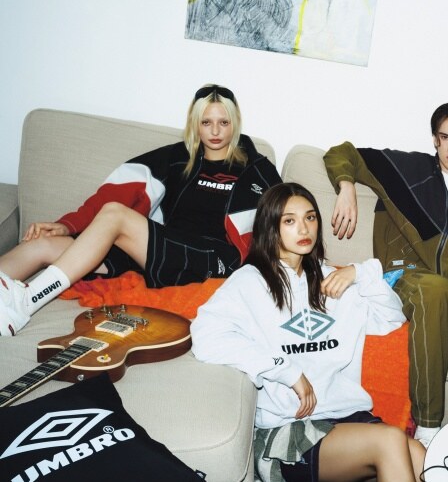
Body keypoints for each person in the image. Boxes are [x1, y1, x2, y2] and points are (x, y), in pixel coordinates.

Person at [0, 84, 282, 336]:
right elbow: (116, 192)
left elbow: (285, 219)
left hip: (211, 260)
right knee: (44, 244)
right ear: (195, 124)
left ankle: (28, 300)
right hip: (161, 251)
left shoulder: (257, 169)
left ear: (235, 123)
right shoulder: (177, 158)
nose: (216, 131)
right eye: (206, 122)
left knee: (115, 214)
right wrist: (67, 226)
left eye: (224, 122)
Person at [190, 182, 425, 482]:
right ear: (270, 227)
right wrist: (285, 370)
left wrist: (360, 274)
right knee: (390, 440)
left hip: (347, 416)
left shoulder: (333, 280)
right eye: (289, 220)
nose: (303, 229)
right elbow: (206, 335)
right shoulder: (250, 282)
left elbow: (391, 318)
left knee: (418, 454)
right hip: (290, 427)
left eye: (310, 217)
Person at [323, 100, 448, 446]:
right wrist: (346, 186)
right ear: (434, 139)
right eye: (445, 137)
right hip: (407, 279)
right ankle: (427, 429)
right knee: (434, 290)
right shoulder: (407, 170)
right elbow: (343, 153)